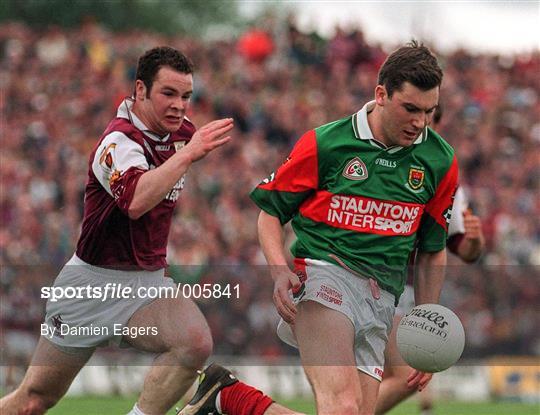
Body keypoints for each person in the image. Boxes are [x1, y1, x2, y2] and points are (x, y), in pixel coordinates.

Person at [0, 46, 285, 415]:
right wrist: (186, 156)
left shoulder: (181, 135)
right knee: (34, 401)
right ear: (139, 90)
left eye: (186, 96)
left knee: (194, 342)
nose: (179, 105)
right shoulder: (117, 143)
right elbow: (135, 202)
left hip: (144, 284)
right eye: (168, 93)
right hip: (90, 285)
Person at [247, 41, 458, 415]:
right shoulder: (327, 143)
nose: (420, 122)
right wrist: (279, 271)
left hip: (381, 298)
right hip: (322, 277)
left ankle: (230, 399)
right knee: (342, 407)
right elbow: (270, 212)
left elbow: (432, 248)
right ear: (381, 94)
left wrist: (427, 323)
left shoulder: (439, 160)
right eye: (410, 108)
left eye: (429, 111)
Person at [374, 106, 485, 415]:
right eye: (414, 113)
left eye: (429, 117)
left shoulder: (444, 174)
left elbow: (462, 248)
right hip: (366, 281)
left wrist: (475, 241)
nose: (421, 124)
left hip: (405, 291)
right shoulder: (377, 156)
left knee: (404, 377)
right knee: (401, 377)